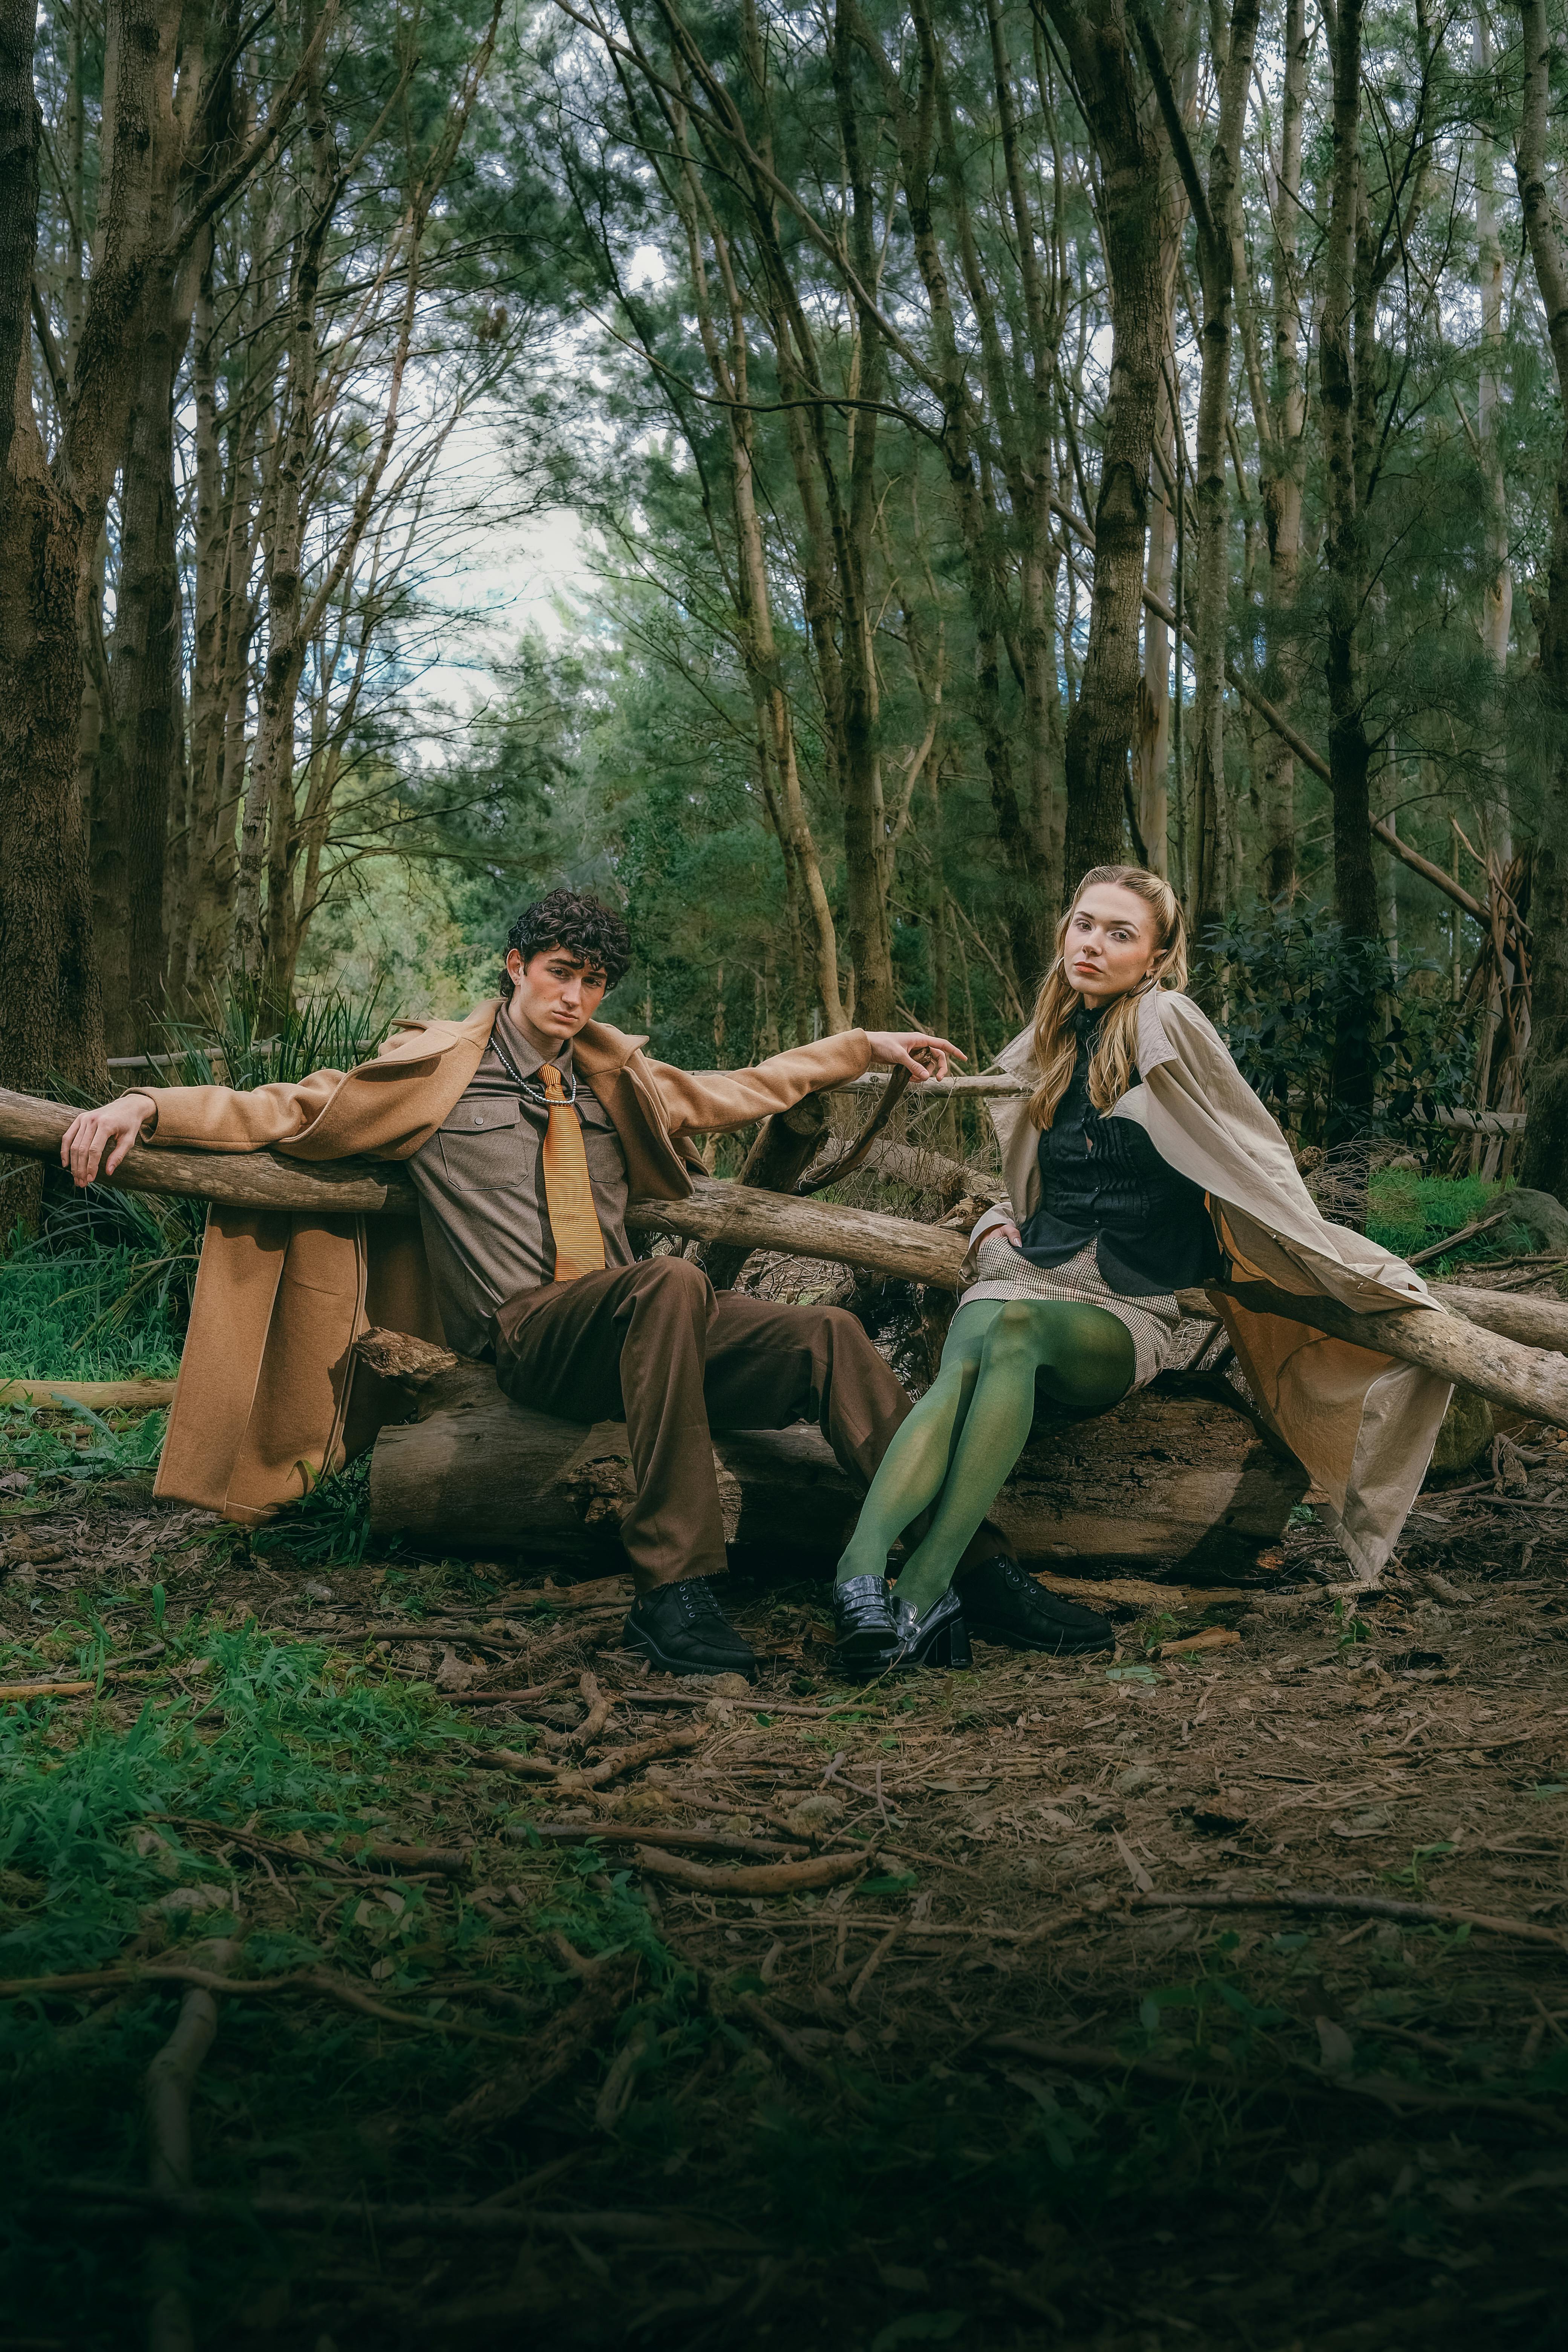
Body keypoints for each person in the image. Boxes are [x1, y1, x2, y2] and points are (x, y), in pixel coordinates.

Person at [60, 888, 986, 1680]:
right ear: (516, 967)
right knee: (668, 1282)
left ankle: (972, 1563)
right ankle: (673, 1588)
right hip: (530, 1339)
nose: (575, 997)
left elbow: (743, 1086)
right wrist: (147, 1102)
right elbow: (284, 1108)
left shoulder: (616, 1080)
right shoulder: (436, 1076)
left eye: (594, 981)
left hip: (642, 1329)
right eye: (559, 973)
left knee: (824, 1334)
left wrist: (860, 1047)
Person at [830, 864, 1453, 1675]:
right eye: (1084, 924)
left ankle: (923, 1585)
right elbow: (1031, 1168)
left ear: (1156, 959)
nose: (1093, 944)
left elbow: (1242, 1146)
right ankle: (858, 1579)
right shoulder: (1054, 1038)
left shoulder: (1167, 1020)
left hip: (1124, 1302)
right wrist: (995, 1218)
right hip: (1023, 1267)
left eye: (1120, 934)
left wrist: (1323, 1254)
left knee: (1010, 1333)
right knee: (967, 1360)